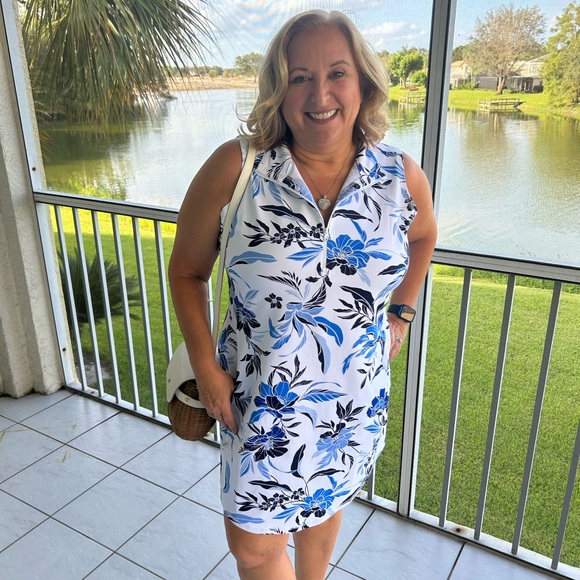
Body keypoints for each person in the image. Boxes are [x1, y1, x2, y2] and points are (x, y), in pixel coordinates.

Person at [169, 9, 437, 579]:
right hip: (259, 404)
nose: (320, 94)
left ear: (363, 84)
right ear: (279, 90)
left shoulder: (398, 177)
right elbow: (186, 272)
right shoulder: (237, 168)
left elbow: (424, 237)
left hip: (351, 402)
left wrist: (403, 312)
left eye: (337, 73)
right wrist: (205, 368)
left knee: (325, 506)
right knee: (253, 548)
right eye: (300, 77)